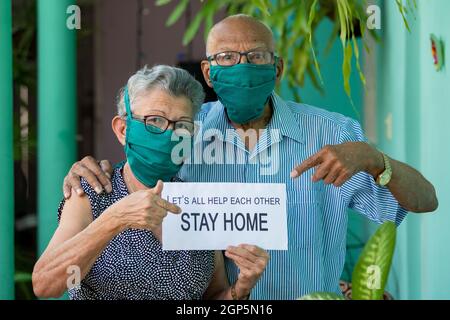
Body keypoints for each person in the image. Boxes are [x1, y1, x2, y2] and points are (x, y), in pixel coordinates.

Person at [61, 15, 438, 299]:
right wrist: (87, 169)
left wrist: (376, 160)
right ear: (208, 73)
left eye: (256, 55)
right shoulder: (185, 132)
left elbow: (426, 200)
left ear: (277, 69)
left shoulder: (333, 134)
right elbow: (136, 168)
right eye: (226, 57)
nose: (242, 66)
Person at [32, 65, 269, 300]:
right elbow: (44, 284)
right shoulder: (93, 191)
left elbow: (213, 294)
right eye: (155, 121)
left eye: (182, 125)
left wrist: (240, 288)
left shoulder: (197, 199)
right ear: (123, 129)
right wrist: (116, 219)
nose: (169, 134)